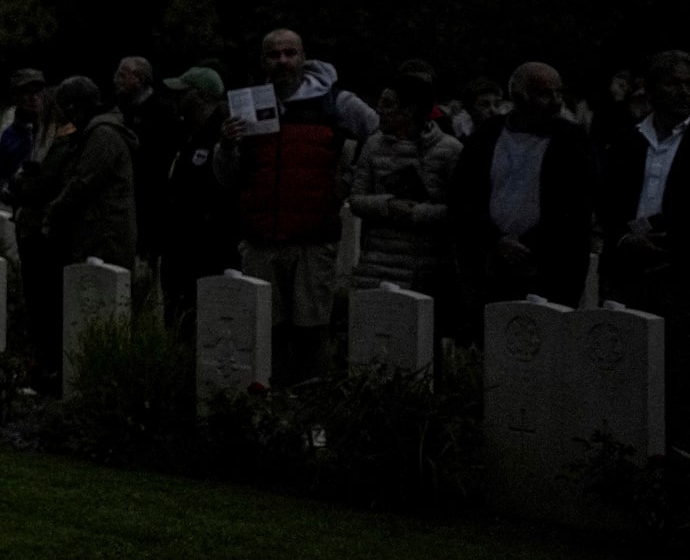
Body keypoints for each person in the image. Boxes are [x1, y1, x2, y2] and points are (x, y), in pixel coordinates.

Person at [222, 28, 378, 382]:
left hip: (312, 237)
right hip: (261, 238)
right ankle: (270, 412)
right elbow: (228, 176)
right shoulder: (246, 105)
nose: (282, 61)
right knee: (264, 330)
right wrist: (227, 145)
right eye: (274, 55)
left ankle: (312, 416)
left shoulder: (336, 102)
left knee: (312, 331)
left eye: (290, 53)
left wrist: (351, 181)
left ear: (303, 58)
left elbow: (378, 138)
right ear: (263, 61)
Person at [450, 61, 596, 326]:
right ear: (519, 97)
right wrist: (496, 239)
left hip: (551, 266)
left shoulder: (572, 140)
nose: (555, 102)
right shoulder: (487, 135)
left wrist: (533, 246)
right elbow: (465, 197)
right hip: (490, 262)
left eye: (558, 93)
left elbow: (578, 205)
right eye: (545, 94)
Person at [17, 75, 137, 389]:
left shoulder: (103, 135)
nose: (66, 116)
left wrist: (52, 214)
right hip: (91, 233)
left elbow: (82, 183)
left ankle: (95, 382)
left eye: (68, 108)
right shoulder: (91, 133)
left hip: (105, 235)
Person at [600, 47, 687, 436]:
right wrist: (622, 238)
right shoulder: (627, 140)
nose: (683, 92)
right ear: (652, 91)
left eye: (689, 84)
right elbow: (607, 201)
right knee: (623, 369)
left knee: (676, 374)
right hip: (627, 270)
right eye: (673, 83)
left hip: (678, 273)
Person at [345, 69, 461, 305]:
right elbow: (356, 198)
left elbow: (461, 208)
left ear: (410, 110)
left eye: (388, 105)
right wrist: (388, 205)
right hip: (377, 260)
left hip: (427, 264)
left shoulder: (449, 150)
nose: (379, 110)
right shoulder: (373, 145)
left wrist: (417, 213)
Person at [156, 68, 237, 330]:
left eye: (184, 92)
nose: (176, 97)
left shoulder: (222, 135)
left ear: (201, 96)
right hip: (179, 243)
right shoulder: (185, 132)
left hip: (206, 246)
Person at [113, 55, 185, 291]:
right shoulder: (122, 107)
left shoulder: (161, 110)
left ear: (140, 78)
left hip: (152, 193)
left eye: (123, 75)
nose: (117, 80)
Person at [0, 69, 48, 209]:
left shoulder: (54, 131)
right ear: (16, 96)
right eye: (27, 92)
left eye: (38, 92)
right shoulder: (9, 136)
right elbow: (3, 174)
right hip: (22, 211)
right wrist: (5, 188)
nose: (34, 97)